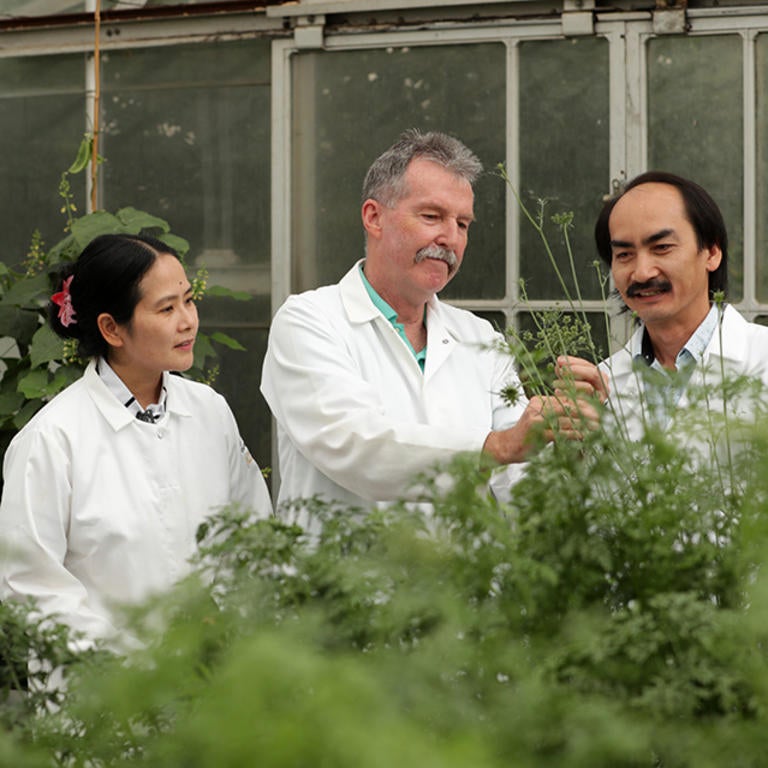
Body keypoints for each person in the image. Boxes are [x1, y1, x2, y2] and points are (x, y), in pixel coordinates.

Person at [261, 129, 599, 514]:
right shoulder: (308, 322)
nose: (450, 238)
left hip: (462, 575)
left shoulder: (479, 339)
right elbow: (356, 445)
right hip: (343, 572)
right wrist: (498, 446)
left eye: (463, 224)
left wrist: (568, 437)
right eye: (432, 216)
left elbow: (523, 487)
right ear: (374, 217)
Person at [0, 233, 272, 649]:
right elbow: (32, 591)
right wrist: (134, 669)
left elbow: (251, 532)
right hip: (107, 698)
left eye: (189, 300)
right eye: (166, 308)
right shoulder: (51, 441)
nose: (187, 321)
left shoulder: (209, 412)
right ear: (111, 328)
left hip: (216, 685)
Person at [555, 170, 768, 441]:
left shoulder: (762, 359)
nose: (642, 272)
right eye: (624, 254)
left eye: (662, 247)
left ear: (711, 253)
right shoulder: (603, 384)